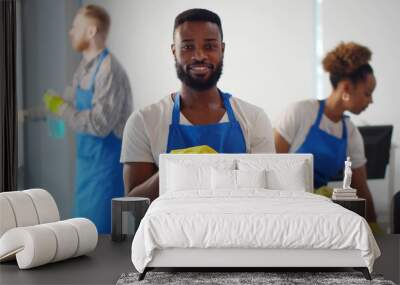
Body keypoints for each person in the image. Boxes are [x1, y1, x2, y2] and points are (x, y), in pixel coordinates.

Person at [120, 8, 275, 201]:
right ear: (174, 51)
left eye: (209, 46)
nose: (199, 55)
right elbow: (132, 202)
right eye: (188, 47)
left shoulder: (254, 118)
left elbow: (268, 195)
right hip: (170, 230)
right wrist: (179, 168)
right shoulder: (143, 121)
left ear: (222, 49)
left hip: (238, 228)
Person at [43, 4, 133, 233]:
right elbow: (69, 101)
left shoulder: (108, 69)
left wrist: (62, 108)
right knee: (83, 234)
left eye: (75, 26)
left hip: (105, 173)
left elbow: (98, 124)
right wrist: (33, 112)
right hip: (86, 169)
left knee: (101, 239)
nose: (70, 32)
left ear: (91, 31)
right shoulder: (84, 67)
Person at [274, 42, 379, 224]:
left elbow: (361, 188)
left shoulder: (351, 133)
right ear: (346, 88)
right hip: (282, 210)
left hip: (318, 214)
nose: (371, 101)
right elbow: (270, 165)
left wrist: (373, 227)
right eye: (367, 93)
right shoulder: (300, 112)